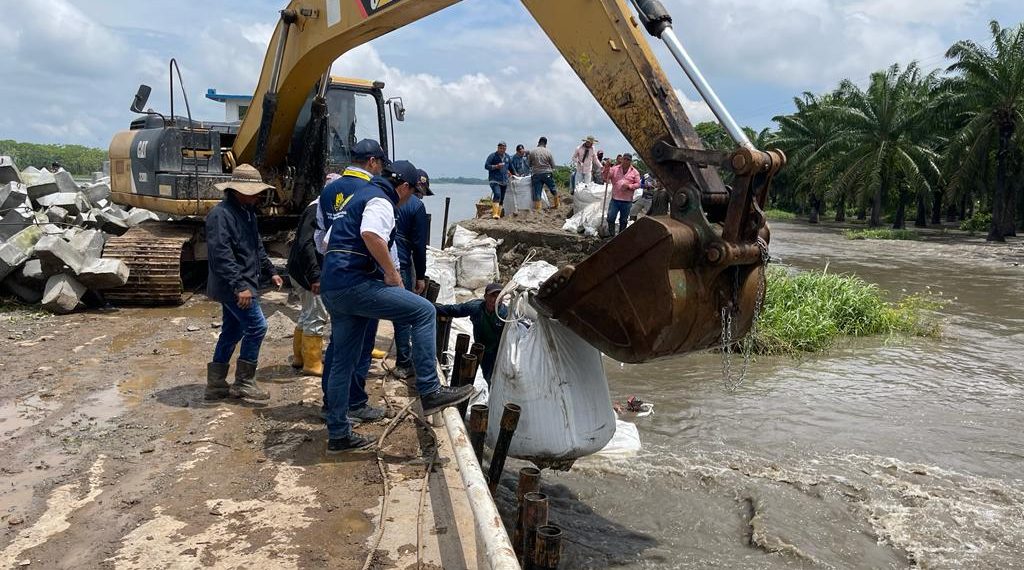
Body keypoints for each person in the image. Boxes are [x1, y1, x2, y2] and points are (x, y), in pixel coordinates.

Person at [320, 156, 474, 453]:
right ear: (403, 187)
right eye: (414, 193)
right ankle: (430, 389)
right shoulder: (381, 201)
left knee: (342, 359)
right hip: (355, 285)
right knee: (423, 310)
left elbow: (326, 242)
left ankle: (338, 433)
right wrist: (391, 274)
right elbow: (371, 234)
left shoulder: (356, 197)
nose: (412, 200)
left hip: (334, 286)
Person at [319, 140, 395, 428]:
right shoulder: (371, 192)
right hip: (364, 277)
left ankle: (331, 406)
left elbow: (322, 238)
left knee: (337, 347)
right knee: (361, 346)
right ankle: (355, 403)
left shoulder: (328, 191)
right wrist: (393, 275)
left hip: (333, 274)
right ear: (373, 162)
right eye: (381, 166)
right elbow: (380, 238)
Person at [204, 164, 284, 403]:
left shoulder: (246, 211)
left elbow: (255, 245)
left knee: (232, 330)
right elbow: (221, 255)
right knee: (257, 327)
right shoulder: (221, 215)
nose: (259, 196)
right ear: (239, 190)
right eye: (254, 191)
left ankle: (216, 384)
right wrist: (240, 286)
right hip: (233, 286)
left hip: (244, 282)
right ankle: (243, 382)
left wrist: (271, 271)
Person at [285, 175, 336, 377]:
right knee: (317, 314)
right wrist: (316, 276)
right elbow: (307, 245)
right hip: (307, 273)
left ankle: (299, 357)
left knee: (307, 313)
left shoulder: (317, 207)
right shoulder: (317, 210)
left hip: (300, 270)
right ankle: (312, 363)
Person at [392, 168, 433, 380]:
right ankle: (404, 362)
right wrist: (420, 276)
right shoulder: (417, 207)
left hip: (377, 262)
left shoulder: (386, 198)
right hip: (401, 264)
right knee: (405, 314)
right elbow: (419, 246)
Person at [435, 283, 507, 384]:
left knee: (498, 379)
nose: (495, 299)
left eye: (499, 296)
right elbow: (456, 310)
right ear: (485, 296)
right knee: (487, 377)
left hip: (499, 351)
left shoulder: (505, 314)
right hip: (482, 349)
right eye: (492, 296)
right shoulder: (475, 307)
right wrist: (433, 308)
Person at [602, 153, 642, 237]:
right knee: (610, 217)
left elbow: (638, 184)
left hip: (627, 201)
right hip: (615, 199)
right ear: (622, 159)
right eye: (625, 159)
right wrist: (607, 167)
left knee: (623, 220)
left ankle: (621, 236)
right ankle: (612, 234)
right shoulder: (614, 169)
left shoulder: (634, 172)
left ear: (630, 161)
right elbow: (606, 178)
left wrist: (629, 186)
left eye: (628, 160)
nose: (626, 161)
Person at [527, 136, 558, 210]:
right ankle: (557, 205)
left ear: (538, 142)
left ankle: (538, 209)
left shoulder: (532, 152)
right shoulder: (548, 152)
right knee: (553, 188)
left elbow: (529, 164)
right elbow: (553, 165)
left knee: (537, 191)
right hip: (547, 173)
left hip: (536, 174)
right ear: (545, 144)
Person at [484, 141, 512, 219]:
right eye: (500, 148)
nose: (502, 149)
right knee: (497, 194)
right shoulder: (492, 156)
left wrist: (514, 174)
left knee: (502, 198)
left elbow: (511, 168)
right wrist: (496, 166)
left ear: (506, 148)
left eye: (503, 148)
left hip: (504, 180)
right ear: (498, 148)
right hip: (494, 180)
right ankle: (495, 214)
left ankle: (498, 215)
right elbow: (486, 166)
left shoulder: (507, 157)